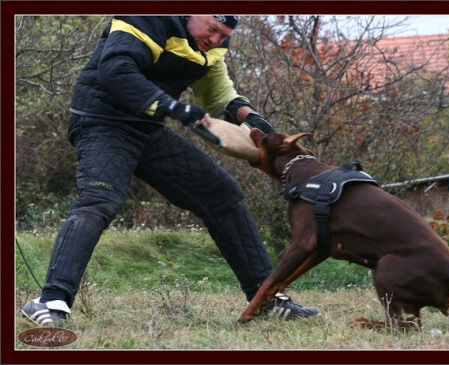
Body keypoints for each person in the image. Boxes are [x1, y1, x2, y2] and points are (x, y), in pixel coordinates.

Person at [21, 15, 321, 327]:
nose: (217, 39)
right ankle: (50, 302)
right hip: (101, 122)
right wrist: (174, 108)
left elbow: (218, 94)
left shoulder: (211, 45)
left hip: (147, 129)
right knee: (100, 200)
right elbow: (115, 71)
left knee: (222, 194)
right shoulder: (145, 17)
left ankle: (266, 299)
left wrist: (255, 121)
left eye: (225, 34)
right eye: (213, 29)